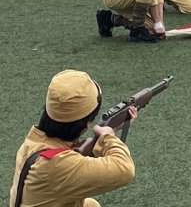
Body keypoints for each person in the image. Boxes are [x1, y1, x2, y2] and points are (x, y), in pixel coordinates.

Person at [9, 69, 136, 207]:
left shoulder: (34, 139)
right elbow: (125, 169)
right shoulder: (57, 164)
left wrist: (113, 127)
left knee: (89, 205)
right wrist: (107, 136)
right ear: (87, 124)